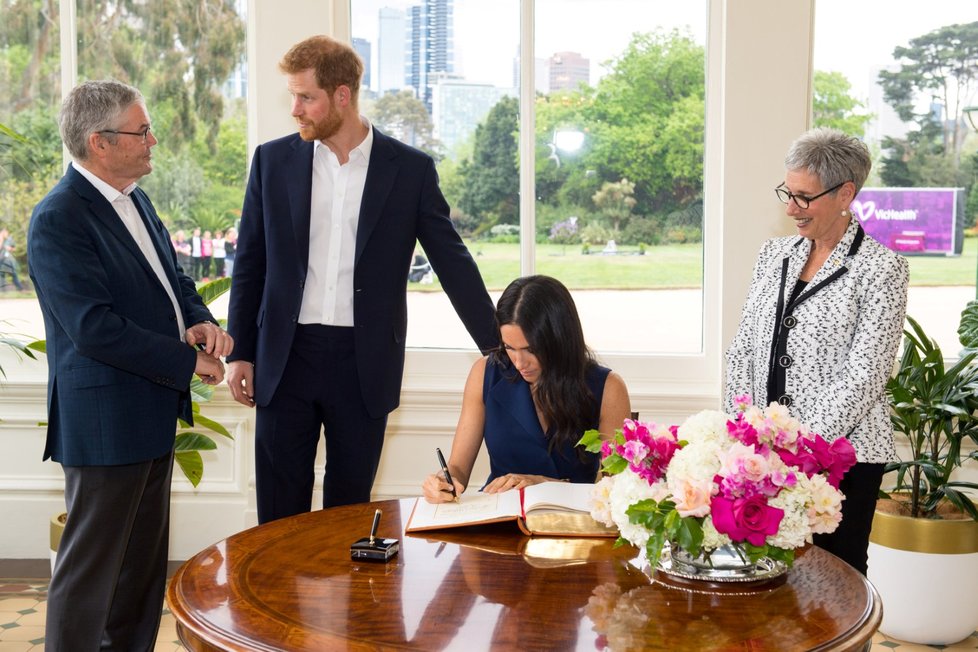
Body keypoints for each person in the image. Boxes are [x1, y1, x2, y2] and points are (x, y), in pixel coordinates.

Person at [226, 35, 497, 523]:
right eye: (292, 96)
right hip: (284, 360)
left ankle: (345, 601)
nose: (295, 109)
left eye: (306, 97)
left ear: (343, 95)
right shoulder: (272, 161)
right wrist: (241, 350)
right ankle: (274, 600)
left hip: (364, 364)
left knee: (348, 510)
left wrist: (498, 348)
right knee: (278, 510)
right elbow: (251, 261)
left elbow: (452, 261)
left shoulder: (410, 171)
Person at [27, 79, 234, 650]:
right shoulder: (59, 218)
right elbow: (93, 329)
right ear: (99, 142)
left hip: (148, 413)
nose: (153, 140)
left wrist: (198, 320)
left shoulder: (135, 199)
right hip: (103, 422)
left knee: (140, 573)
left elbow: (172, 280)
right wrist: (187, 361)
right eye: (141, 132)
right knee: (90, 576)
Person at [723, 127, 909, 576]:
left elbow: (865, 375)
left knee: (833, 587)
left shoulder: (883, 269)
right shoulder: (773, 255)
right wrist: (741, 436)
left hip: (842, 459)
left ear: (846, 193)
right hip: (761, 454)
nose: (790, 207)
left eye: (804, 197)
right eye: (787, 191)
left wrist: (797, 449)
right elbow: (743, 351)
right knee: (764, 579)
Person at [422, 275, 631, 502]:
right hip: (500, 522)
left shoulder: (608, 388)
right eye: (509, 347)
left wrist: (547, 486)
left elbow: (616, 490)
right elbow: (457, 469)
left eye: (531, 349)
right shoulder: (484, 373)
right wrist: (443, 483)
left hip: (571, 525)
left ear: (560, 339)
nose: (519, 363)